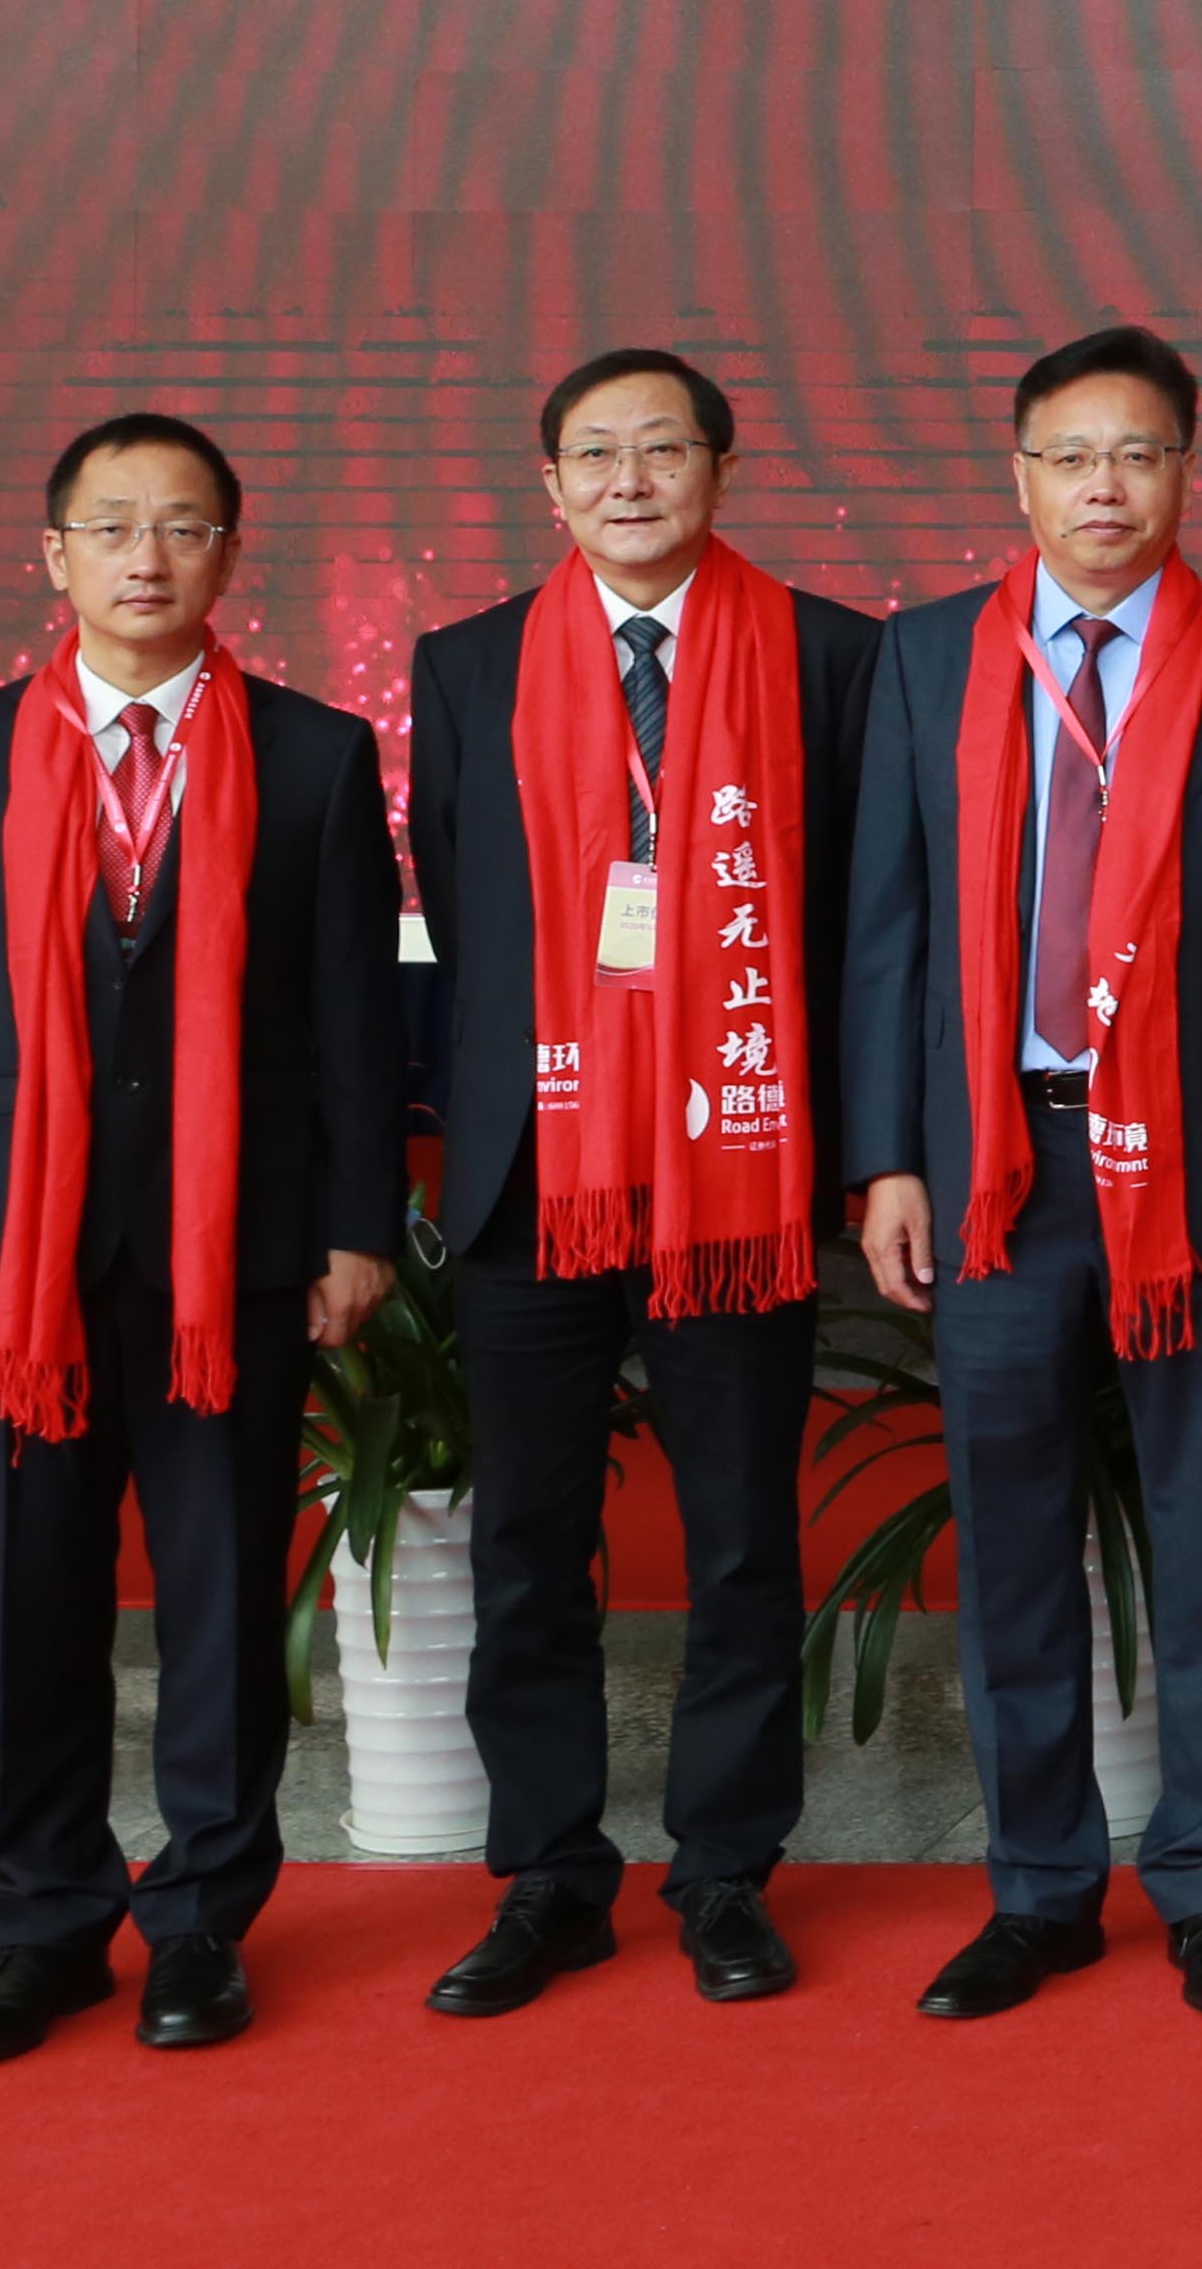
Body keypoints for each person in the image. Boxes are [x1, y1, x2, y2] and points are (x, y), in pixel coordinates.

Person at [0, 413, 402, 2063]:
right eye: (111, 527)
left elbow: (356, 1019)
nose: (145, 557)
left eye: (180, 526)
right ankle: (43, 1926)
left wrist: (356, 1225)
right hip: (5, 1258)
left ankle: (203, 1922)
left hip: (232, 1252)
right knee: (32, 1601)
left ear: (229, 552)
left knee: (223, 1599)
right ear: (57, 556)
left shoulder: (316, 756)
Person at [846, 323, 1202, 2025]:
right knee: (1011, 1538)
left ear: (1187, 472)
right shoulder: (930, 656)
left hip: (1195, 1169)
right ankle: (1042, 1893)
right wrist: (890, 1160)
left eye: (1138, 454)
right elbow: (888, 934)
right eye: (1071, 457)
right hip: (996, 1167)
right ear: (1022, 477)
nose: (1105, 486)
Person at [404, 347, 880, 2017]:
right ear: (550, 487)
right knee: (530, 1543)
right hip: (540, 1170)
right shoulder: (466, 664)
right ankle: (549, 1876)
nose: (629, 480)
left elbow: (859, 918)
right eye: (595, 454)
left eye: (662, 449)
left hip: (736, 1168)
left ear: (720, 471)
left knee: (741, 1538)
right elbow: (464, 904)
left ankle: (727, 1871)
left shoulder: (830, 655)